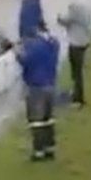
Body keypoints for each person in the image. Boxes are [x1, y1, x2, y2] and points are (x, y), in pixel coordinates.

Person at [17, 23, 60, 161]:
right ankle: (50, 149)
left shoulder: (34, 46)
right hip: (50, 84)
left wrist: (17, 53)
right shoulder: (53, 44)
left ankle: (38, 151)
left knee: (37, 121)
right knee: (48, 119)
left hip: (36, 86)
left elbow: (26, 61)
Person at [57, 0, 91, 107]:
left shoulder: (75, 4)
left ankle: (78, 99)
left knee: (76, 72)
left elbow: (67, 20)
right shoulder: (86, 0)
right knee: (79, 70)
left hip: (76, 41)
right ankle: (77, 94)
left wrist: (59, 19)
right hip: (85, 38)